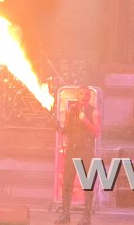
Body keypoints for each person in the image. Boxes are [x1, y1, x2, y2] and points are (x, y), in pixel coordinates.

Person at [55, 86, 100, 225]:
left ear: (89, 97)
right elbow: (66, 131)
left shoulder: (94, 112)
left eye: (86, 94)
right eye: (81, 94)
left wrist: (85, 120)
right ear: (77, 95)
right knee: (67, 184)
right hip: (72, 151)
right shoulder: (71, 111)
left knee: (88, 184)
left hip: (86, 151)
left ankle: (86, 217)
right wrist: (58, 127)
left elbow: (97, 132)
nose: (84, 96)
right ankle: (65, 215)